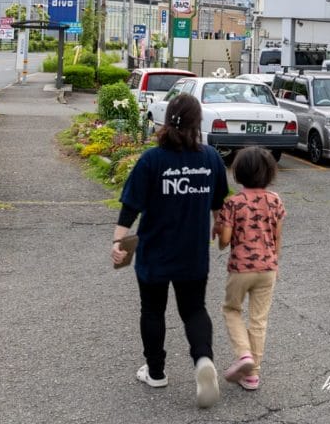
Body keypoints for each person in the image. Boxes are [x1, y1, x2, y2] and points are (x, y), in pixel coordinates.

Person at [111, 93, 229, 408]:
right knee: (194, 309)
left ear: (166, 122)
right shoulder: (211, 159)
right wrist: (221, 233)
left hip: (155, 254)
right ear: (197, 123)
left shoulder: (152, 160)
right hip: (193, 254)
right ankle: (203, 360)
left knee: (152, 310)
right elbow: (220, 208)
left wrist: (117, 243)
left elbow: (130, 207)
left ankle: (156, 372)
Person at [216, 146, 285, 391]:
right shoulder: (275, 200)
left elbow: (224, 241)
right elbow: (277, 237)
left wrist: (220, 232)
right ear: (269, 174)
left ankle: (244, 355)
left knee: (231, 309)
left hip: (241, 269)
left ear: (238, 173)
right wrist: (275, 264)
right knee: (259, 320)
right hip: (268, 268)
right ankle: (253, 374)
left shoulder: (233, 203)